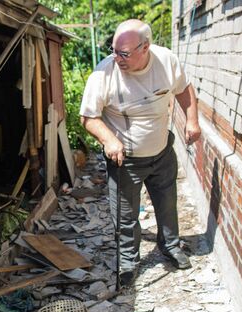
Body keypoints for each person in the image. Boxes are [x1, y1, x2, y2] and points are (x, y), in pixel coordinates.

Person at [79, 20, 201, 288]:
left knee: (167, 205)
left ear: (145, 47)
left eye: (124, 53)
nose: (117, 58)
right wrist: (109, 139)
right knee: (125, 217)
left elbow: (184, 89)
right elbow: (88, 117)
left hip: (162, 153)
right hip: (126, 162)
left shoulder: (166, 60)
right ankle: (128, 262)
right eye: (114, 50)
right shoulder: (104, 74)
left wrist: (192, 120)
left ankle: (170, 246)